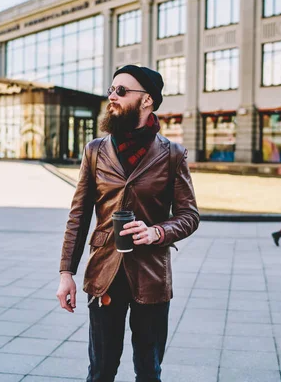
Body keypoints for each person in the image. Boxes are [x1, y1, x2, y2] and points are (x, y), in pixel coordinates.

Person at [56, 65, 199, 382]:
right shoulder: (95, 150)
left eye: (121, 90)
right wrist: (66, 273)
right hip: (104, 273)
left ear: (147, 100)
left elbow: (190, 215)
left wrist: (156, 232)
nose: (112, 96)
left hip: (151, 275)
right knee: (101, 370)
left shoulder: (172, 154)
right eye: (111, 89)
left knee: (149, 371)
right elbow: (78, 216)